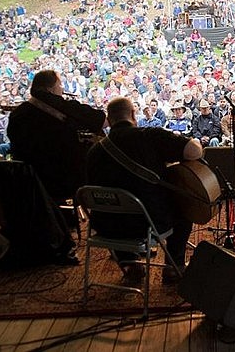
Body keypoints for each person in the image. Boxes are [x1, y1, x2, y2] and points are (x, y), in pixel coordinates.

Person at [85, 97, 203, 282]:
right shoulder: (150, 136)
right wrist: (194, 141)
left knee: (116, 206)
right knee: (183, 205)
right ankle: (174, 267)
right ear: (133, 114)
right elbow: (193, 152)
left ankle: (130, 263)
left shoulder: (94, 151)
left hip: (106, 226)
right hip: (147, 224)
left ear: (109, 118)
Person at [7, 70, 106, 203]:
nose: (62, 88)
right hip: (63, 179)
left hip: (29, 181)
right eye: (60, 85)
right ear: (51, 89)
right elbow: (103, 121)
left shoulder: (17, 114)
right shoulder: (66, 108)